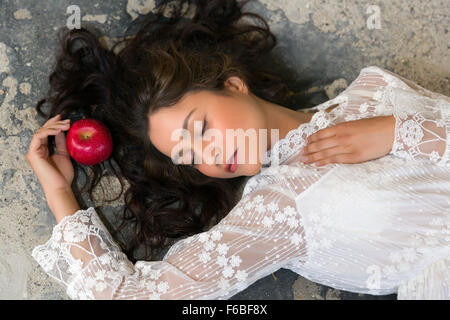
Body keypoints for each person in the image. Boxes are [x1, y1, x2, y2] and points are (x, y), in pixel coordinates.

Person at [26, 0, 449, 299]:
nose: (208, 156)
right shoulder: (273, 212)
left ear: (233, 85)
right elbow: (129, 297)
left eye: (202, 128)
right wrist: (60, 193)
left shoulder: (375, 91)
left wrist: (399, 131)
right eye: (189, 158)